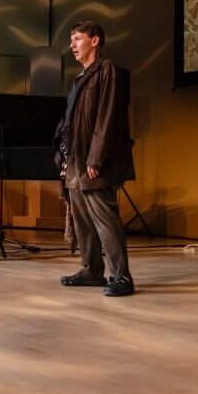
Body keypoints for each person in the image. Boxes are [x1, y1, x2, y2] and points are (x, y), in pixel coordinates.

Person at [55, 21, 136, 297]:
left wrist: (96, 158)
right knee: (82, 220)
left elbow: (108, 118)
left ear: (95, 41)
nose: (72, 44)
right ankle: (91, 269)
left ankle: (121, 276)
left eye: (77, 38)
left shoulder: (107, 70)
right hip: (76, 161)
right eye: (71, 39)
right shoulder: (81, 77)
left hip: (93, 162)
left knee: (105, 219)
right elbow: (70, 120)